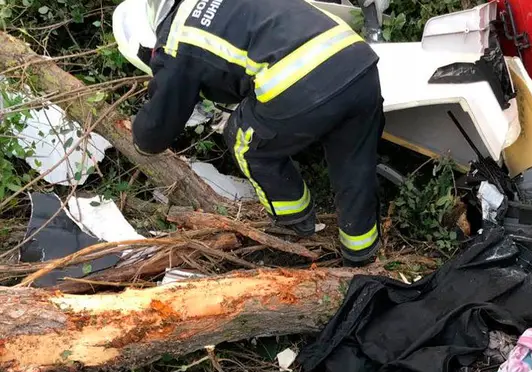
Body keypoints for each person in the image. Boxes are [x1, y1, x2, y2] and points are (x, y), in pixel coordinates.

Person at [113, 0, 384, 266]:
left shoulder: (175, 41)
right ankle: (360, 252)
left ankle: (294, 223)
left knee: (245, 142)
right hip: (358, 64)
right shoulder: (214, 11)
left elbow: (155, 131)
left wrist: (139, 138)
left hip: (303, 79)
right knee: (355, 163)